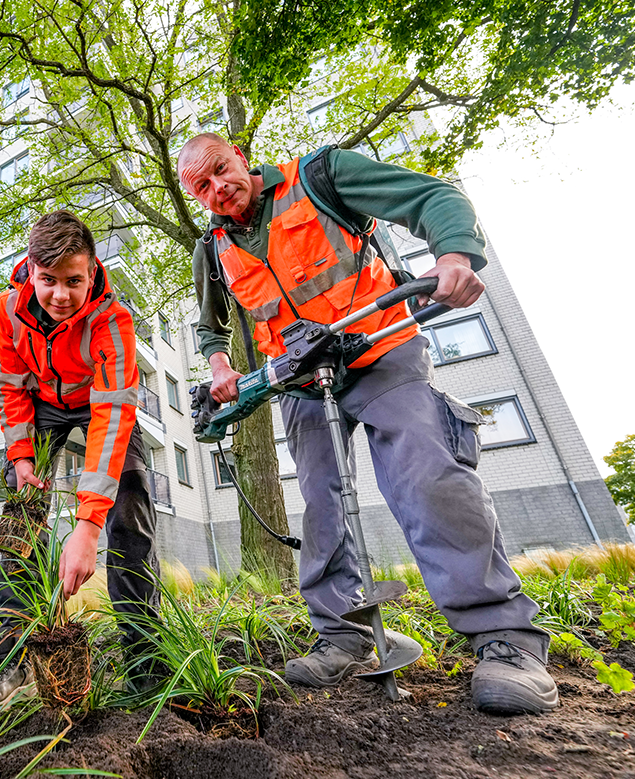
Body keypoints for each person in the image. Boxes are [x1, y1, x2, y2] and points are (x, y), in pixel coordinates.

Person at [177, 133, 558, 715]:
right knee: (321, 505)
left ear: (237, 156)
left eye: (221, 171)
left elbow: (435, 198)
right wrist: (219, 362)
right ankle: (345, 635)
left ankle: (505, 639)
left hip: (381, 353)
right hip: (300, 379)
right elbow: (212, 325)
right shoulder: (214, 247)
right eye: (201, 186)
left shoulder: (321, 177)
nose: (217, 189)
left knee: (426, 476)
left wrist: (453, 256)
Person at [0, 210, 161, 707]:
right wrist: (21, 455)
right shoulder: (9, 310)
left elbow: (113, 415)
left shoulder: (113, 319)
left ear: (92, 272)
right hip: (44, 409)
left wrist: (87, 526)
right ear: (30, 270)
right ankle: (9, 657)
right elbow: (9, 386)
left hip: (101, 403)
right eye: (48, 280)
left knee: (130, 504)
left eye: (74, 281)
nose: (60, 296)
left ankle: (146, 661)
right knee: (21, 518)